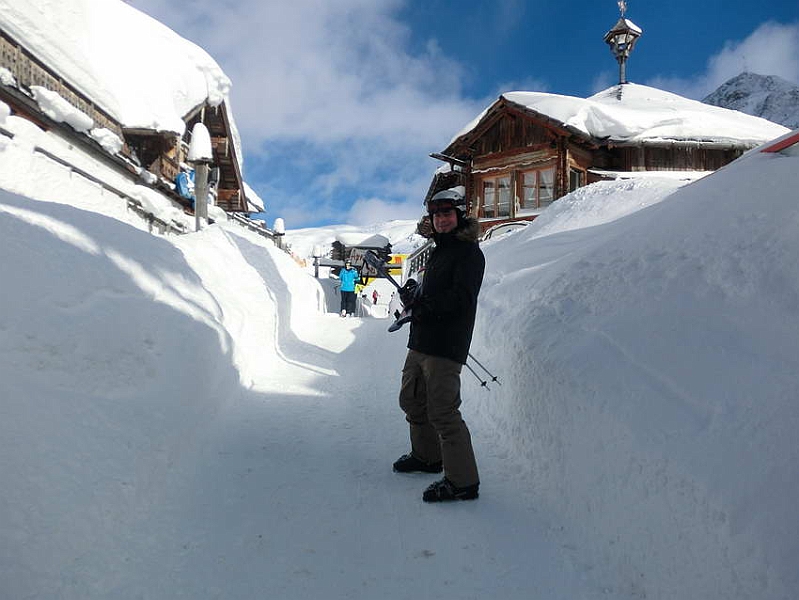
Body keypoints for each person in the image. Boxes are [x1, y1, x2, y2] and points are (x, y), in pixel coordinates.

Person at [392, 188, 485, 502]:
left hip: (446, 344)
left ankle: (463, 482)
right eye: (436, 215)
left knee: (443, 411)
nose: (442, 220)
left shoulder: (468, 253)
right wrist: (413, 297)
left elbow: (461, 299)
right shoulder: (438, 251)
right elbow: (431, 295)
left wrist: (425, 306)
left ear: (459, 215)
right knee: (412, 400)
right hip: (422, 340)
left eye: (447, 214)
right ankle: (427, 457)